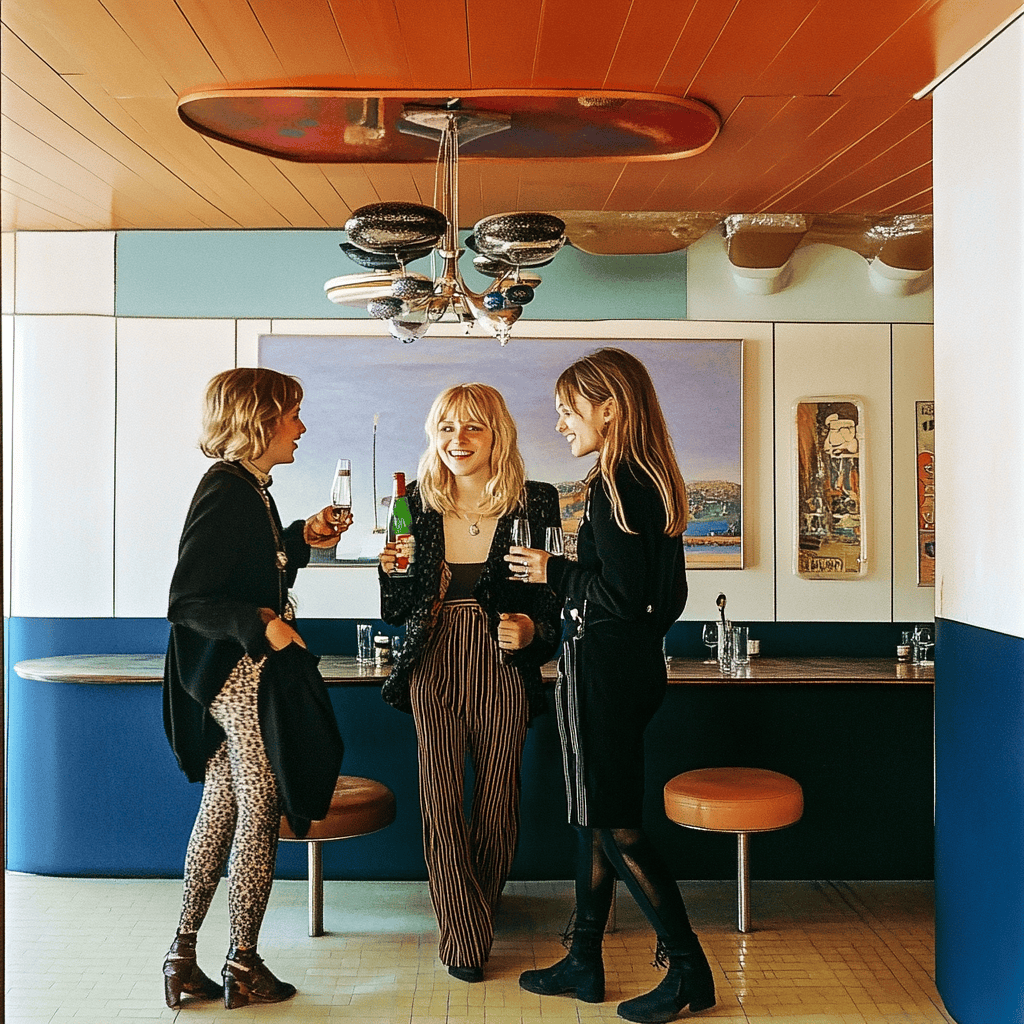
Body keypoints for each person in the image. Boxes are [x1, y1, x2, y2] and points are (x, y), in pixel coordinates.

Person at [511, 348, 715, 1023]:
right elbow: (667, 599)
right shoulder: (651, 480)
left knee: (617, 827)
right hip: (633, 669)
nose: (562, 422)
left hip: (600, 671)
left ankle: (688, 971)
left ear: (609, 408)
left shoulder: (614, 482)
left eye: (570, 409)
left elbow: (619, 594)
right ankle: (583, 960)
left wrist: (553, 571)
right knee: (595, 822)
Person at [161, 367, 351, 1010]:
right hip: (239, 677)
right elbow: (188, 600)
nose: (301, 427)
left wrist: (301, 538)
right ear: (259, 420)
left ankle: (183, 956)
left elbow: (247, 569)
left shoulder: (249, 489)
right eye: (293, 414)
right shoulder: (228, 490)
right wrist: (260, 626)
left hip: (219, 677)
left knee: (222, 806)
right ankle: (243, 962)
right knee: (259, 813)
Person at [378, 383, 562, 983]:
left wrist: (532, 628)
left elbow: (556, 601)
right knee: (439, 797)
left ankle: (471, 913)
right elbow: (395, 607)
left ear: (496, 434)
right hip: (433, 656)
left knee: (497, 800)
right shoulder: (412, 505)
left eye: (473, 428)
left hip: (501, 658)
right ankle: (464, 936)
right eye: (448, 427)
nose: (458, 440)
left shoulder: (535, 502)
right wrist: (391, 574)